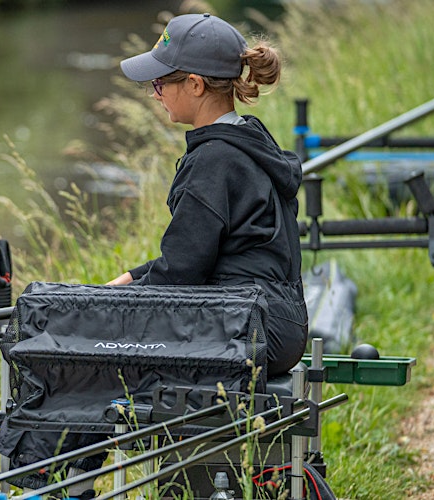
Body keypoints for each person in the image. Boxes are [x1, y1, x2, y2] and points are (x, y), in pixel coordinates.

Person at [109, 13, 308, 377]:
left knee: (105, 340)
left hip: (248, 326)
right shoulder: (248, 141)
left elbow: (180, 275)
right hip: (276, 319)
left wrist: (104, 304)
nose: (155, 94)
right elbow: (198, 255)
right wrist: (131, 278)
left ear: (195, 85)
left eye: (159, 83)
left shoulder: (212, 161)